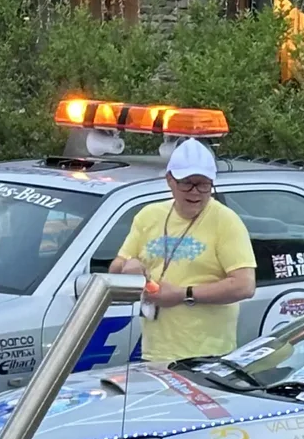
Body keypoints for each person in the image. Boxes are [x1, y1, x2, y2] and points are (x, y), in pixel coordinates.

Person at [106, 139, 256, 363]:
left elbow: (245, 285)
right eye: (187, 183)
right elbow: (116, 269)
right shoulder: (149, 216)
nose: (195, 192)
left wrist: (183, 294)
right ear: (170, 180)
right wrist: (129, 267)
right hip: (154, 353)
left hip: (206, 356)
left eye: (203, 184)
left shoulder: (226, 221)